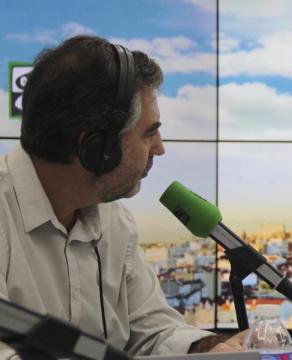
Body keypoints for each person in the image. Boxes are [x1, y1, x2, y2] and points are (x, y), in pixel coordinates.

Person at [0, 35, 244, 356]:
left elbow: (152, 331)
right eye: (149, 132)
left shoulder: (114, 220)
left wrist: (207, 349)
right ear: (98, 148)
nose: (159, 148)